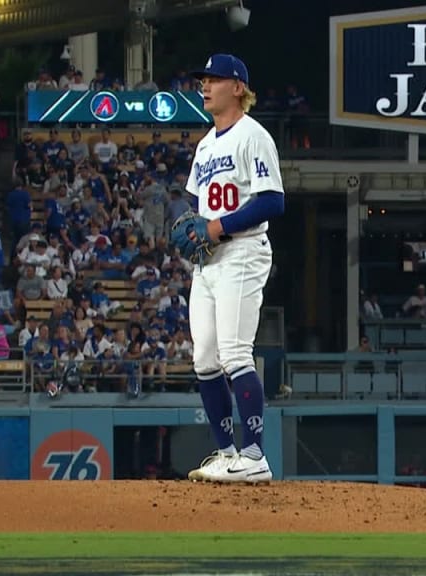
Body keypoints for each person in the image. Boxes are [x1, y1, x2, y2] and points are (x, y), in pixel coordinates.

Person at [171, 54, 284, 484]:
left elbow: (273, 200)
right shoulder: (205, 144)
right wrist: (197, 228)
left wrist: (217, 225)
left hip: (243, 249)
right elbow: (199, 208)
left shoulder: (254, 136)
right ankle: (226, 453)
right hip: (211, 259)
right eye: (203, 79)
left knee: (235, 352)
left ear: (238, 87)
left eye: (214, 79)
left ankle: (255, 455)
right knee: (203, 358)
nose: (205, 85)